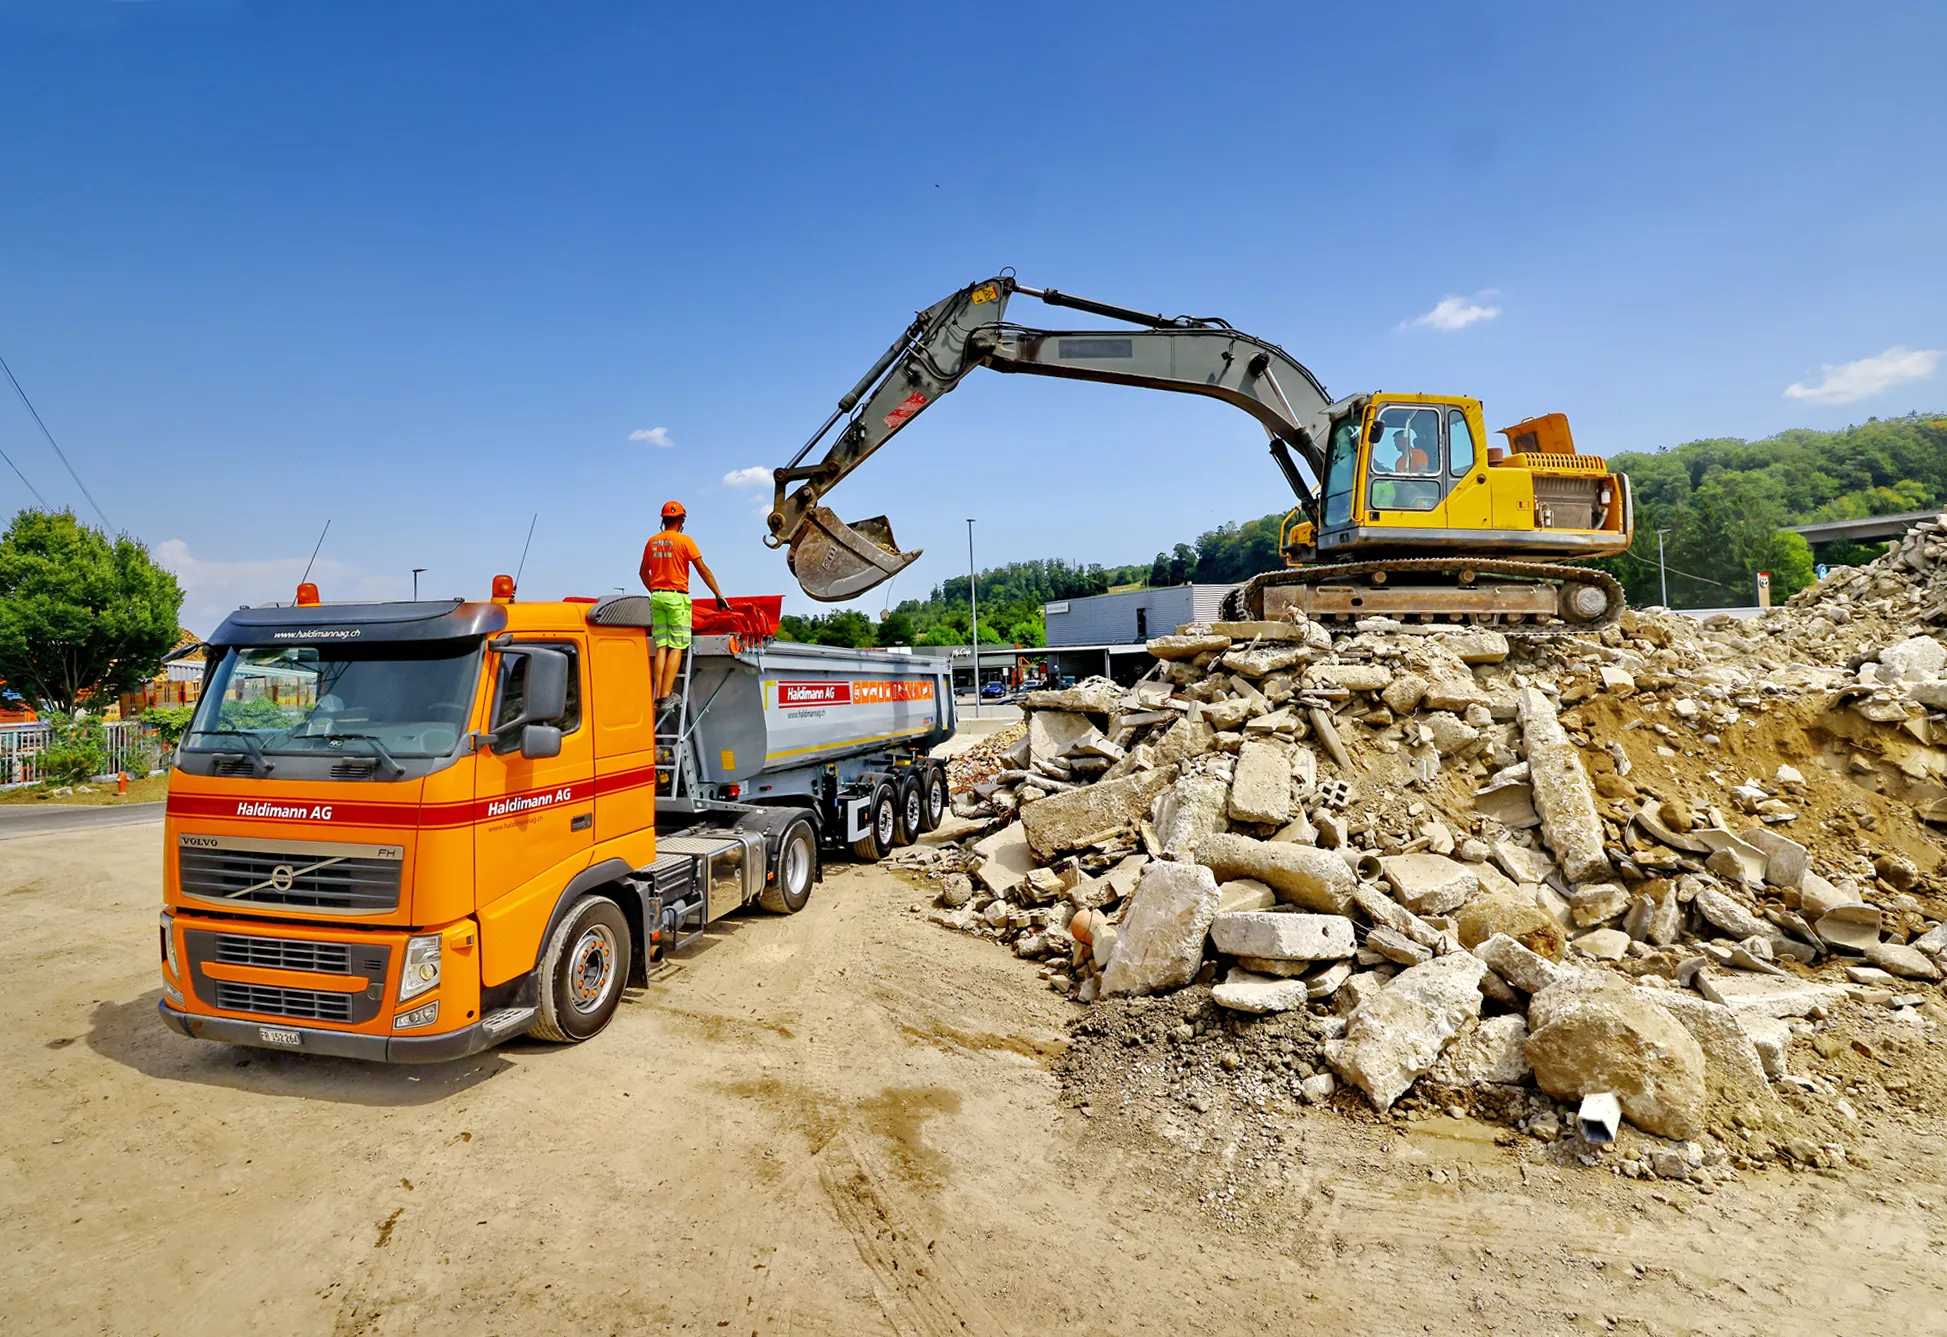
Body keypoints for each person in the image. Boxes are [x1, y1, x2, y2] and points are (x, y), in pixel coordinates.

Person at [640, 500, 730, 700]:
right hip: (676, 597)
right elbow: (703, 570)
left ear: (663, 520)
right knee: (678, 646)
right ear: (681, 520)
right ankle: (665, 694)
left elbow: (642, 572)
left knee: (662, 645)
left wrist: (655, 589)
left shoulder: (651, 542)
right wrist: (718, 594)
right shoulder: (685, 541)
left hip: (656, 597)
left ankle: (657, 694)